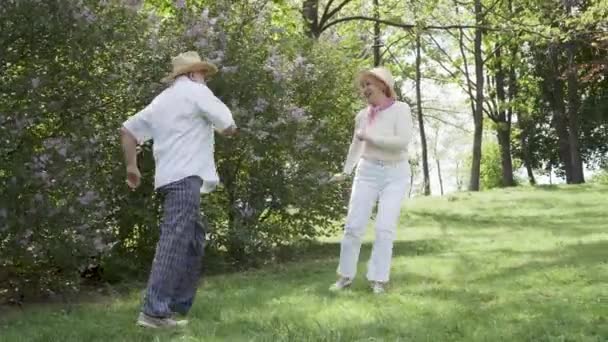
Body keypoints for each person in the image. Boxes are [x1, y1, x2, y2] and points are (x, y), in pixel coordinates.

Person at [120, 51, 237, 328]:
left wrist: (132, 167)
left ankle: (174, 306)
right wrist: (226, 129)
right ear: (194, 74)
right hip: (186, 178)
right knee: (174, 241)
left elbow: (127, 131)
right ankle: (154, 312)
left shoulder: (161, 101)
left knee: (194, 238)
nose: (205, 80)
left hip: (170, 179)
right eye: (204, 75)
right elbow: (229, 125)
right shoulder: (197, 92)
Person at [329, 66, 414, 294]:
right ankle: (345, 277)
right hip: (367, 172)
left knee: (384, 228)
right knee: (353, 226)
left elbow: (402, 141)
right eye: (362, 86)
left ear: (383, 85)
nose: (364, 89)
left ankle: (378, 280)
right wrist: (346, 171)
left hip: (395, 173)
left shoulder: (401, 109)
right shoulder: (362, 116)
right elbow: (356, 146)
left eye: (368, 84)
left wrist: (371, 136)